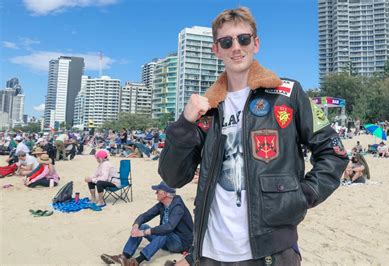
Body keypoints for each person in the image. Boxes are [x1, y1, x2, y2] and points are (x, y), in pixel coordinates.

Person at [158, 7, 348, 265]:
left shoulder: (288, 94)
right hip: (211, 252)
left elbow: (333, 152)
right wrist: (184, 124)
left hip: (271, 250)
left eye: (243, 39)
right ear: (217, 50)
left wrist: (303, 195)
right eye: (227, 42)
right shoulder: (206, 109)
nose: (236, 47)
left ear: (255, 43)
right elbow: (173, 176)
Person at [100, 182, 193, 265]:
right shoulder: (162, 203)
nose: (155, 193)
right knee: (143, 226)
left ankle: (136, 261)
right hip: (165, 240)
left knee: (163, 232)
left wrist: (145, 233)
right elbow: (146, 215)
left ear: (165, 194)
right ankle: (124, 257)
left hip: (180, 243)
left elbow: (169, 227)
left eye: (158, 191)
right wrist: (136, 226)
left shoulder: (178, 206)